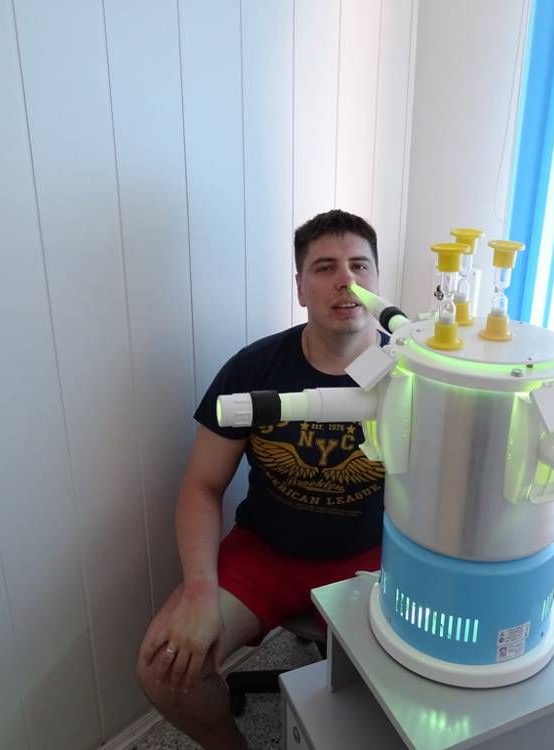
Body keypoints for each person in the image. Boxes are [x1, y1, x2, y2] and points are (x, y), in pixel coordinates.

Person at [135, 209, 387, 750]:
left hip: (370, 556)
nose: (345, 280)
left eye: (359, 265)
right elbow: (202, 485)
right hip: (267, 553)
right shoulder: (254, 370)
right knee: (165, 669)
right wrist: (199, 589)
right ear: (300, 288)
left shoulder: (414, 373)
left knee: (404, 688)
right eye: (325, 268)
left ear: (377, 280)